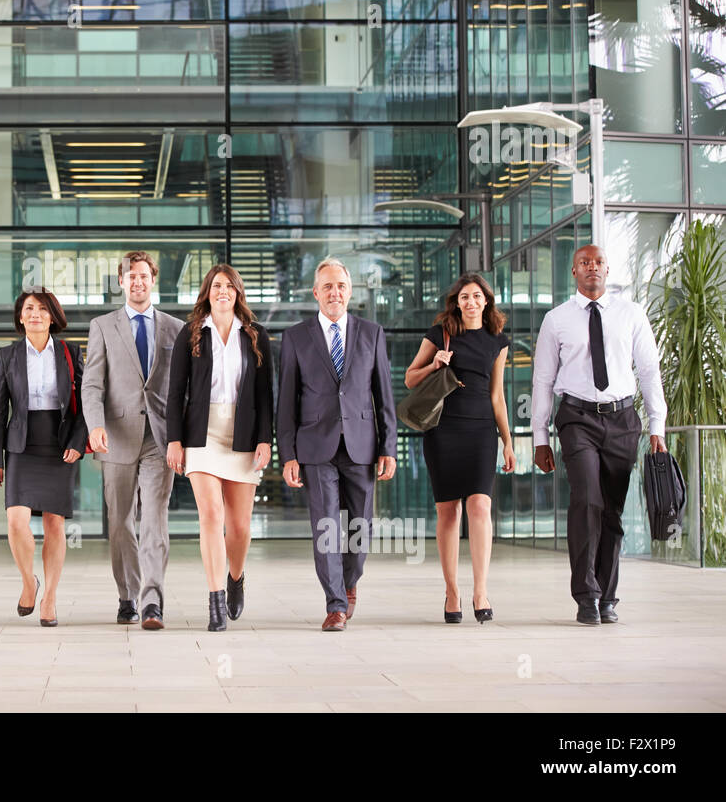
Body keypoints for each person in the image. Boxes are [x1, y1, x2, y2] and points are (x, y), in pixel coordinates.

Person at [531, 244, 667, 625]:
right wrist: (540, 436)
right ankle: (586, 595)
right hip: (577, 418)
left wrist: (657, 423)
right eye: (584, 263)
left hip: (623, 419)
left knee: (613, 510)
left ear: (608, 270)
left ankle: (608, 596)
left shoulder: (631, 313)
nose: (592, 268)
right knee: (587, 499)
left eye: (599, 262)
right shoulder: (556, 319)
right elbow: (542, 379)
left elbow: (649, 370)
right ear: (573, 271)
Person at [277, 257, 396, 632]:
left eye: (341, 286)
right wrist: (289, 455)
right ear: (316, 293)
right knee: (326, 525)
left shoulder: (372, 333)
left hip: (362, 444)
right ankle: (335, 605)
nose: (335, 293)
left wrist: (388, 447)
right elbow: (286, 402)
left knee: (360, 526)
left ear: (350, 292)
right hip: (315, 447)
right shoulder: (296, 337)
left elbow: (384, 396)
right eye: (327, 286)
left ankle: (349, 581)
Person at [165, 264, 273, 632]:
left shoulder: (256, 335)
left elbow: (264, 393)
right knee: (211, 515)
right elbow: (175, 390)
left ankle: (235, 577)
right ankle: (214, 600)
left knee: (240, 526)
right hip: (202, 433)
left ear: (238, 293)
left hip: (243, 433)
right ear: (207, 293)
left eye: (228, 286)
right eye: (215, 286)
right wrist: (174, 439)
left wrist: (265, 439)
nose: (222, 291)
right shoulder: (191, 333)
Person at [404, 273, 514, 624]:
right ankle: (452, 591)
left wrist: (508, 441)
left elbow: (497, 395)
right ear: (457, 302)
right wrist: (435, 363)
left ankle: (480, 590)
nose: (470, 302)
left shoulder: (498, 340)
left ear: (486, 301)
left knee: (480, 506)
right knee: (448, 512)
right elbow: (410, 377)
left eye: (477, 296)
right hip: (443, 429)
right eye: (464, 296)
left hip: (482, 430)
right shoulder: (440, 334)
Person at [82, 251, 183, 630]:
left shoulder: (174, 327)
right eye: (130, 276)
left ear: (152, 280)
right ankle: (128, 594)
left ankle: (152, 602)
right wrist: (94, 425)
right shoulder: (103, 326)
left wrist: (181, 438)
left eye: (143, 275)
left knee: (155, 520)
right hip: (116, 437)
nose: (137, 282)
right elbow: (92, 383)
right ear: (121, 282)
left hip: (159, 439)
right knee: (120, 521)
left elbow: (182, 390)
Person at [0, 288, 88, 628]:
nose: (35, 314)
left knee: (54, 524)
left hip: (59, 444)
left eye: (43, 309)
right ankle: (29, 581)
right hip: (20, 443)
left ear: (53, 317)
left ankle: (50, 598)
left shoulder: (70, 353)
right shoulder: (7, 355)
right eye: (29, 308)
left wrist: (78, 440)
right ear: (20, 317)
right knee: (16, 521)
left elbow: (86, 403)